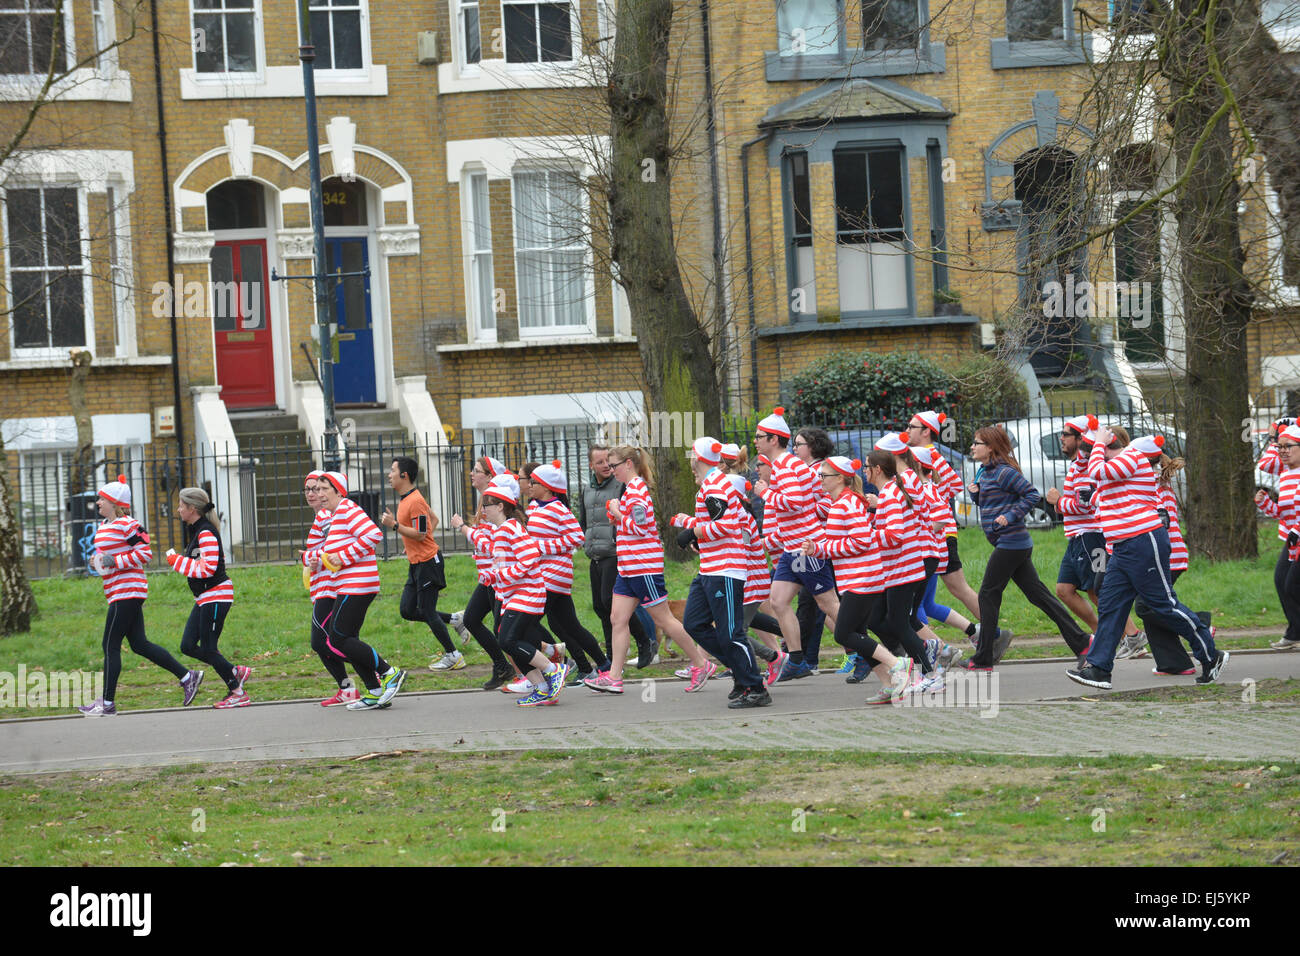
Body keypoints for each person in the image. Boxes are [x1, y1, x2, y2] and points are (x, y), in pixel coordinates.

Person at [1066, 429, 1227, 689]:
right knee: (1110, 605)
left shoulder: (1134, 458)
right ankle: (1099, 669)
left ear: (1116, 447)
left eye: (1101, 447)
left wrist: (1097, 443)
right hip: (1121, 548)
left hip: (1144, 541)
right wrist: (1094, 449)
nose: (1095, 450)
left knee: (1163, 604)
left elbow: (1098, 472)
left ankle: (1210, 655)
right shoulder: (1117, 468)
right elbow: (1095, 479)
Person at [584, 445, 716, 693]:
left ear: (628, 464)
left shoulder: (637, 490)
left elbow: (641, 528)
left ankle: (701, 663)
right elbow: (635, 525)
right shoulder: (630, 490)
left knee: (664, 619)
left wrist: (618, 515)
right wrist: (619, 516)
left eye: (614, 466)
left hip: (643, 567)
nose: (611, 471)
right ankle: (614, 676)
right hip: (629, 567)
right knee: (617, 618)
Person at [962, 426, 1090, 670]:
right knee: (1039, 596)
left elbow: (1031, 495)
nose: (972, 447)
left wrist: (1010, 516)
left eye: (976, 443)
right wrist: (976, 495)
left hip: (1012, 543)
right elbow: (990, 502)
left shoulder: (1004, 472)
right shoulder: (984, 472)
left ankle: (983, 657)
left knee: (988, 594)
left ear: (990, 447)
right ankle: (1083, 643)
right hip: (1008, 544)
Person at [78, 475, 199, 717]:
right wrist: (97, 561)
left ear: (114, 502)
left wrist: (116, 560)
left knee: (109, 644)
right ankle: (188, 676)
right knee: (139, 644)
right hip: (115, 591)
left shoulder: (129, 525)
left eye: (102, 498)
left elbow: (145, 553)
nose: (98, 502)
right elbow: (107, 558)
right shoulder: (104, 527)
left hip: (129, 590)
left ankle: (108, 703)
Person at [801, 455, 916, 703]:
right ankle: (888, 684)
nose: (819, 480)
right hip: (859, 578)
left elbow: (862, 541)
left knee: (843, 634)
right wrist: (817, 549)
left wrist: (825, 549)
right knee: (859, 633)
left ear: (840, 478)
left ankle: (898, 664)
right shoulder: (844, 502)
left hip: (862, 578)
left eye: (823, 476)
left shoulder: (846, 504)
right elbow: (845, 541)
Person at [670, 437, 770, 708]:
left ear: (699, 458)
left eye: (692, 456)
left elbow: (726, 526)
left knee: (731, 633)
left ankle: (755, 687)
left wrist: (693, 532)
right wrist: (698, 538)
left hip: (725, 571)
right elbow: (716, 526)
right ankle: (742, 673)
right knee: (693, 623)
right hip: (711, 569)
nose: (690, 463)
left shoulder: (715, 485)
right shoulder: (711, 485)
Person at [304, 472, 407, 710]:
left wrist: (342, 556)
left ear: (338, 490)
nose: (318, 494)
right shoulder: (335, 515)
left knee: (338, 637)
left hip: (358, 584)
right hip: (347, 584)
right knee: (346, 639)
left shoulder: (348, 509)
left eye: (323, 489)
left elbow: (374, 534)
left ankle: (389, 672)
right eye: (316, 490)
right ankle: (373, 691)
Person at [752, 408, 839, 681]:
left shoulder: (787, 466)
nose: (755, 440)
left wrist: (767, 493)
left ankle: (866, 650)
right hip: (792, 548)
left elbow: (794, 502)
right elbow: (815, 495)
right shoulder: (789, 465)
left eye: (759, 436)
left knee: (829, 605)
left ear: (774, 440)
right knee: (778, 601)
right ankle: (797, 659)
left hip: (805, 547)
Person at [477, 474, 571, 707]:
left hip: (528, 593)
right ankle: (542, 688)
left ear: (500, 506)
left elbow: (529, 558)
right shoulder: (501, 531)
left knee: (507, 640)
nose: (483, 510)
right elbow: (505, 565)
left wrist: (501, 575)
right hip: (515, 595)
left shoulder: (510, 528)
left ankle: (554, 670)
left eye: (486, 505)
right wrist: (492, 576)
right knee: (512, 640)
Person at [525, 461, 612, 682]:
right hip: (544, 573)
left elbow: (577, 537)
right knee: (571, 626)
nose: (529, 485)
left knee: (525, 624)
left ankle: (550, 664)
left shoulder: (557, 509)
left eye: (533, 482)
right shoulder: (535, 507)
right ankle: (603, 666)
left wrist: (542, 548)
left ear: (546, 486)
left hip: (554, 575)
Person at [166, 487, 251, 708]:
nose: (178, 509)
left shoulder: (205, 532)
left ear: (192, 508)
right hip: (205, 597)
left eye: (181, 506)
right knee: (187, 645)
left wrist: (178, 562)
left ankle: (237, 691)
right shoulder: (197, 530)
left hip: (216, 595)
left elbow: (208, 568)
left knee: (209, 648)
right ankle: (234, 670)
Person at [381, 456, 461, 671]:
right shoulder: (409, 498)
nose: (389, 475)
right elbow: (432, 520)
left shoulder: (414, 501)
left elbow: (420, 531)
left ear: (404, 475)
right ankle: (455, 619)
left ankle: (454, 655)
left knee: (427, 610)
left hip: (428, 563)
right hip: (417, 562)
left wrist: (396, 526)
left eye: (393, 470)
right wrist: (413, 543)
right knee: (407, 610)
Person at [905, 410, 982, 625]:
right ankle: (989, 634)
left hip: (938, 534)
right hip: (936, 534)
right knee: (933, 600)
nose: (907, 430)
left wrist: (932, 499)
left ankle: (991, 635)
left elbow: (955, 484)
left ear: (927, 431)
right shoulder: (923, 454)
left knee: (923, 601)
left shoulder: (930, 455)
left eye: (912, 427)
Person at [582, 443, 656, 667]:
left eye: (609, 462)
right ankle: (613, 658)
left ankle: (644, 642)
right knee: (601, 606)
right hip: (595, 553)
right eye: (601, 462)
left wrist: (616, 520)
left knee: (611, 603)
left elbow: (636, 521)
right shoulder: (587, 489)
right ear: (591, 465)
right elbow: (585, 521)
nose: (606, 466)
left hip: (616, 553)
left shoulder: (623, 485)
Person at [449, 456, 516, 690]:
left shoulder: (495, 503)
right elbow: (488, 545)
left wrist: (463, 528)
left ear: (489, 476)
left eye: (476, 470)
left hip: (498, 578)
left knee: (507, 629)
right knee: (473, 619)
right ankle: (503, 666)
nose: (471, 474)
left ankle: (550, 657)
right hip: (488, 576)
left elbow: (491, 543)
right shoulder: (484, 502)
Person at [1257, 421, 1300, 650]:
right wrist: (1265, 504)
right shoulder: (1285, 473)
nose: (1282, 451)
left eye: (1288, 446)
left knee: (1293, 584)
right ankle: (1295, 631)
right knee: (1282, 581)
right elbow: (1283, 515)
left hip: (1297, 537)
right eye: (1279, 446)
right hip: (1293, 540)